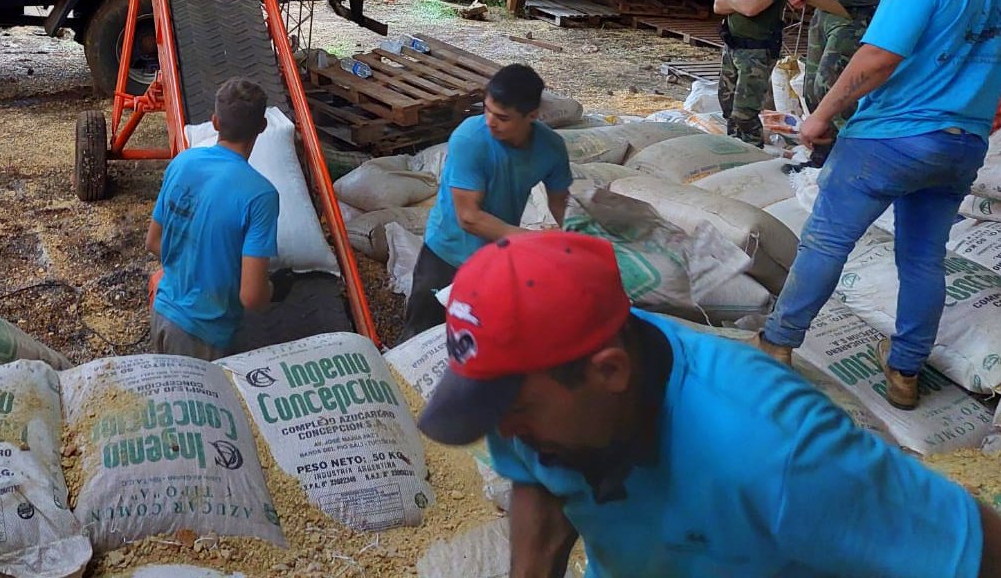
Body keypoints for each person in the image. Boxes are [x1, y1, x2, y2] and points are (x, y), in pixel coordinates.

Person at [416, 231, 1001, 578]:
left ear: (610, 372)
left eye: (513, 414)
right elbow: (535, 479)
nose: (505, 434)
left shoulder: (775, 449)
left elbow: (975, 548)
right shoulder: (531, 397)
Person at [758, 0, 1001, 408]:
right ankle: (906, 371)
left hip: (888, 140)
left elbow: (876, 60)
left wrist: (820, 117)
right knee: (922, 259)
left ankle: (776, 343)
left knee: (826, 241)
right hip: (960, 147)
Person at [402, 63, 571, 339]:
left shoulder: (551, 148)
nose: (490, 121)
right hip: (446, 253)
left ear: (532, 116)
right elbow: (468, 217)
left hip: (496, 256)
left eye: (502, 118)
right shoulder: (471, 138)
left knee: (482, 333)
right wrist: (530, 241)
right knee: (421, 334)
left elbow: (561, 202)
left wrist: (576, 241)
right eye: (487, 110)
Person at [145, 77, 278, 361]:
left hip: (162, 314)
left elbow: (154, 241)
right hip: (203, 335)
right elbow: (251, 297)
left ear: (215, 122)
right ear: (263, 127)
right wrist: (273, 288)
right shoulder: (260, 195)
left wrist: (192, 268)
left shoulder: (182, 162)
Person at [712, 0, 789, 146]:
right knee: (727, 104)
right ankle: (734, 146)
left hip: (757, 50)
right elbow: (717, 5)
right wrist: (738, 0)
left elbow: (752, 8)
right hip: (732, 45)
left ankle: (752, 150)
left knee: (745, 111)